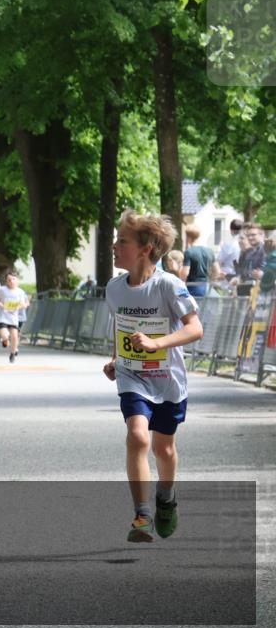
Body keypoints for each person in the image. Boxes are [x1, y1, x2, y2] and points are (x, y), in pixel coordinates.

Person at [103, 211, 203, 543]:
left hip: (167, 379)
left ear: (146, 248)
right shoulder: (115, 288)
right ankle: (142, 514)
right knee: (138, 436)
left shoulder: (169, 285)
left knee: (164, 449)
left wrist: (157, 343)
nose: (114, 246)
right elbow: (122, 326)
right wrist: (117, 358)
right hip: (133, 376)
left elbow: (195, 328)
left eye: (122, 241)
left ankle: (167, 498)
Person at [0, 270, 29, 363]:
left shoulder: (20, 292)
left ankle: (13, 353)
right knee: (5, 335)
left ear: (17, 281)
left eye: (13, 279)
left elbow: (23, 303)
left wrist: (18, 306)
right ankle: (5, 340)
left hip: (14, 318)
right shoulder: (1, 289)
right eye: (9, 280)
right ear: (6, 281)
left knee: (14, 336)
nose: (11, 281)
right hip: (3, 317)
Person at [179, 225, 214, 297]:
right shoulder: (210, 251)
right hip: (207, 287)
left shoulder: (189, 252)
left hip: (193, 288)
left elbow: (185, 273)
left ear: (188, 237)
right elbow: (217, 271)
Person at [234, 222, 266, 289]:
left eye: (253, 235)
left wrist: (263, 275)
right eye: (248, 235)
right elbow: (247, 274)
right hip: (251, 291)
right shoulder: (251, 252)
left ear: (261, 235)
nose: (250, 238)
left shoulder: (267, 250)